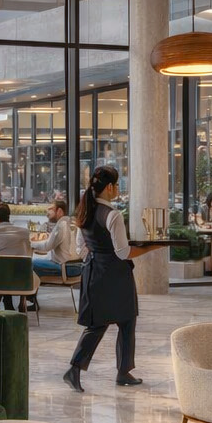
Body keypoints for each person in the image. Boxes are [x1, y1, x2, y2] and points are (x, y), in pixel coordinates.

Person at [65, 165, 157, 392]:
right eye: (116, 185)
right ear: (109, 187)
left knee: (102, 323)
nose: (117, 188)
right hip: (116, 275)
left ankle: (107, 371)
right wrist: (152, 247)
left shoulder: (85, 210)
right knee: (124, 321)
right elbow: (123, 253)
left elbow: (80, 248)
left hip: (95, 272)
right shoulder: (113, 215)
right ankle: (112, 371)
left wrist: (97, 256)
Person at [32, 198, 83, 279]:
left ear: (59, 211)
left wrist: (31, 244)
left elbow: (47, 247)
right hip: (76, 267)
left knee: (30, 263)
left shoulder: (61, 225)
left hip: (64, 268)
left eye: (51, 209)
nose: (47, 212)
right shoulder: (71, 222)